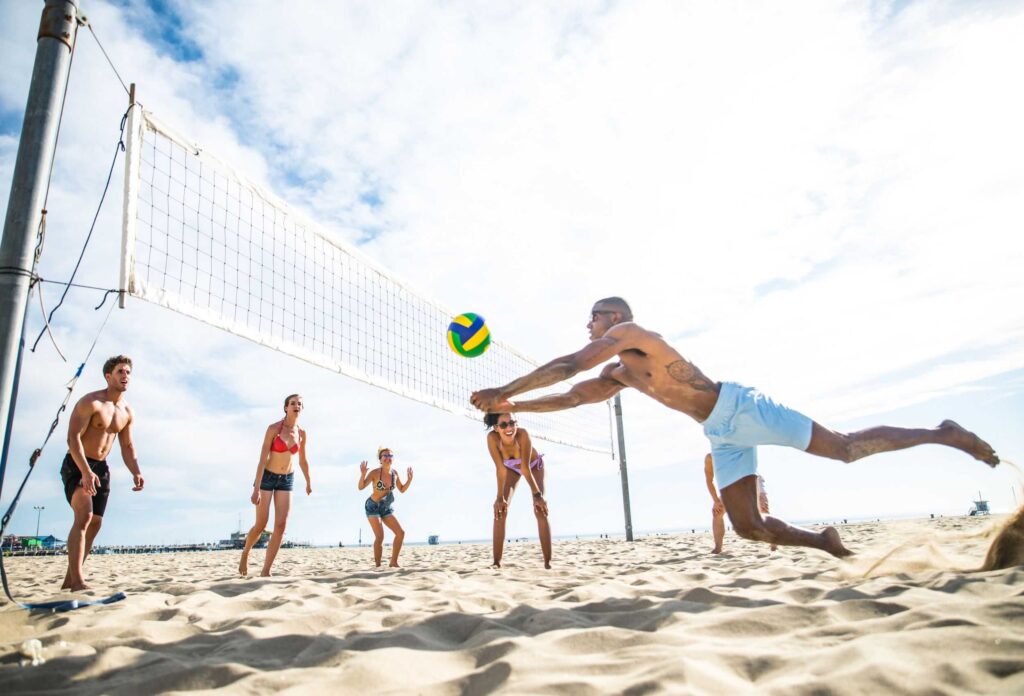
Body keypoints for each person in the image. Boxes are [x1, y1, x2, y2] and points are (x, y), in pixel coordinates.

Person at [471, 297, 1000, 558]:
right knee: (748, 527)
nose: (588, 324)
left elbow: (569, 366)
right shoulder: (619, 374)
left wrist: (505, 392)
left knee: (843, 450)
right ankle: (827, 543)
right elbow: (570, 395)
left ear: (614, 319)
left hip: (741, 407)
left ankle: (943, 432)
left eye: (594, 316)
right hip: (720, 434)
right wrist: (510, 412)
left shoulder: (633, 334)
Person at [61, 355, 144, 591]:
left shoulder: (127, 411)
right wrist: (85, 471)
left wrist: (135, 471)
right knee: (84, 516)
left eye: (128, 372)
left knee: (96, 522)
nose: (125, 376)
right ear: (108, 376)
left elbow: (127, 446)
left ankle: (69, 579)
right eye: (120, 372)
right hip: (78, 463)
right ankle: (78, 581)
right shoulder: (91, 402)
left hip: (101, 467)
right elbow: (72, 438)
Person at [239, 394, 312, 577]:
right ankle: (246, 552)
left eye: (300, 404)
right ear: (285, 408)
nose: (297, 406)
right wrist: (256, 488)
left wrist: (309, 481)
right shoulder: (273, 429)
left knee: (281, 525)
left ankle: (266, 570)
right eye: (293, 403)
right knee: (261, 524)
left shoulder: (302, 433)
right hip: (267, 478)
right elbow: (262, 459)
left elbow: (303, 460)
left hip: (287, 479)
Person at [485, 412, 552, 569]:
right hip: (510, 469)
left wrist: (537, 495)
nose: (509, 427)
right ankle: (496, 563)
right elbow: (500, 469)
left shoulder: (522, 434)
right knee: (500, 510)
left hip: (533, 466)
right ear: (496, 428)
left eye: (512, 423)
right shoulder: (492, 439)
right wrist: (499, 497)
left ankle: (548, 563)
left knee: (539, 509)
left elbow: (525, 467)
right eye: (503, 425)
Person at [704, 453, 775, 553]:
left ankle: (773, 544)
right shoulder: (710, 458)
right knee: (717, 512)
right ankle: (718, 548)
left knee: (763, 509)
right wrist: (716, 501)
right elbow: (709, 480)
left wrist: (760, 496)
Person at [358, 447, 413, 567]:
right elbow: (361, 487)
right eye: (385, 456)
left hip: (385, 507)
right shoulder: (375, 473)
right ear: (380, 460)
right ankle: (378, 566)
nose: (388, 458)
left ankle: (393, 562)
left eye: (390, 456)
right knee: (380, 536)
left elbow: (402, 489)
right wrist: (363, 475)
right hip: (372, 506)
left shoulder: (395, 474)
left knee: (400, 533)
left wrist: (409, 480)